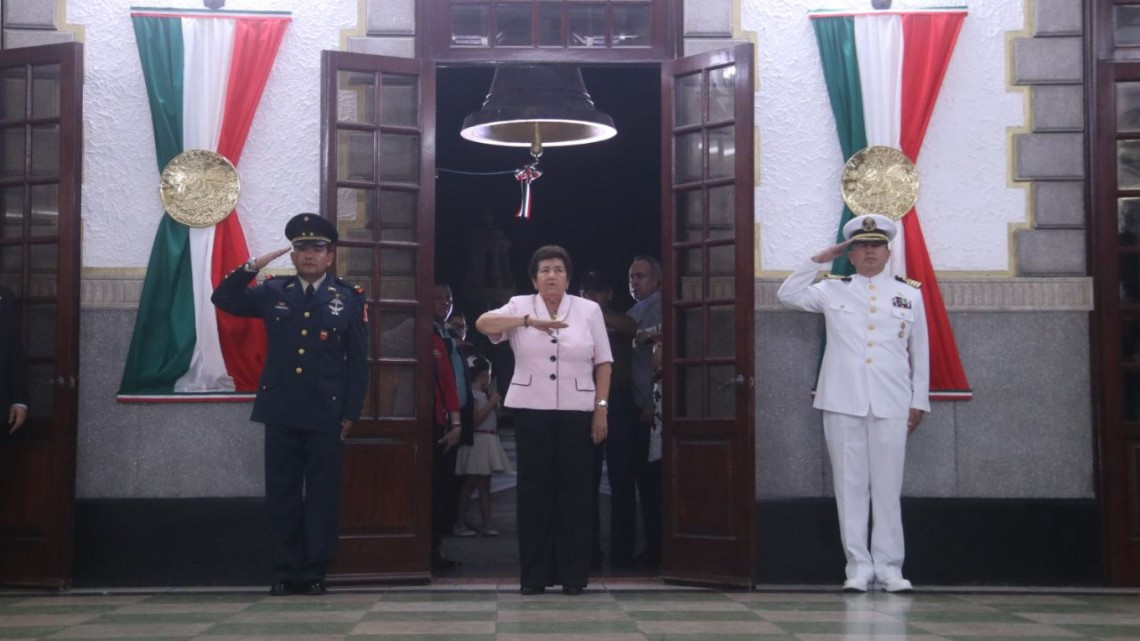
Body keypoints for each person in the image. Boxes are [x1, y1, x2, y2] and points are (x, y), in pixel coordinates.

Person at [211, 212, 367, 596]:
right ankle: (286, 570)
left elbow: (359, 361)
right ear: (292, 256)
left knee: (321, 498)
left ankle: (314, 571)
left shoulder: (347, 297)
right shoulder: (272, 292)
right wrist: (254, 265)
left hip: (325, 413)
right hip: (280, 410)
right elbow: (223, 297)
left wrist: (351, 412)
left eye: (317, 248)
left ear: (330, 256)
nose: (309, 255)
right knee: (281, 496)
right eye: (301, 249)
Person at [776, 213, 929, 593]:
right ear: (852, 253)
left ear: (888, 251)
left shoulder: (909, 293)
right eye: (861, 246)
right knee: (850, 486)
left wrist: (919, 399)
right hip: (843, 400)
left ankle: (891, 567)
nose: (869, 252)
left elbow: (920, 351)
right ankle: (858, 567)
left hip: (892, 400)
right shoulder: (833, 288)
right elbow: (787, 295)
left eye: (876, 245)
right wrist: (820, 259)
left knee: (888, 487)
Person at [475, 245, 613, 596]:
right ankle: (534, 576)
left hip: (578, 410)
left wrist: (601, 408)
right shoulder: (520, 305)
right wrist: (526, 322)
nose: (552, 275)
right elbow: (482, 323)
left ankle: (573, 575)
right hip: (531, 409)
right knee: (534, 494)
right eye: (545, 270)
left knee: (576, 494)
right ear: (534, 278)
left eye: (558, 270)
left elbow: (604, 363)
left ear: (568, 277)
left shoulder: (588, 310)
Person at [578, 269, 636, 569]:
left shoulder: (618, 319)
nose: (591, 296)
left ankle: (623, 551)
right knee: (585, 481)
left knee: (622, 480)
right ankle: (588, 552)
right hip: (585, 403)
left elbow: (631, 328)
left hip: (619, 404)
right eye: (586, 291)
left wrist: (598, 314)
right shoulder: (576, 323)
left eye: (597, 290)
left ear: (609, 294)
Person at [430, 283, 471, 571]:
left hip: (454, 417)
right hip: (435, 420)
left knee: (447, 488)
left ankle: (436, 549)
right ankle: (428, 552)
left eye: (449, 298)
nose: (445, 303)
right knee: (436, 488)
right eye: (439, 298)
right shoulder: (423, 330)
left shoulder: (446, 332)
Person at [627, 255, 663, 568]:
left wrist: (652, 403)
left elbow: (660, 355)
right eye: (631, 277)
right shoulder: (636, 309)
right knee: (643, 483)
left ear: (656, 280)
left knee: (654, 484)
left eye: (640, 276)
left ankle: (659, 548)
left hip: (654, 411)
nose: (634, 282)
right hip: (636, 407)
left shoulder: (660, 305)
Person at [453, 355, 512, 537]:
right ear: (484, 374)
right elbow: (475, 420)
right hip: (477, 441)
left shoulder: (484, 394)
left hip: (487, 440)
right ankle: (459, 523)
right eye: (489, 374)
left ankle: (487, 523)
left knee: (484, 484)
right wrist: (491, 404)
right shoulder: (473, 395)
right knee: (471, 483)